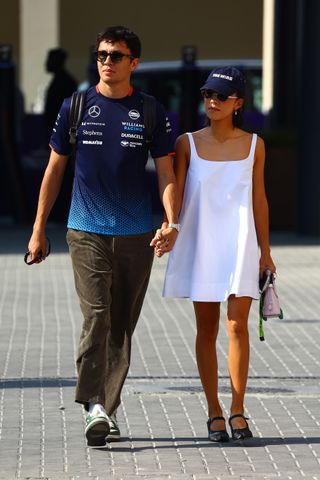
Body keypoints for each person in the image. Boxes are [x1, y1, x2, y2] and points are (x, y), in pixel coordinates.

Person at [28, 26, 178, 447]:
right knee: (97, 315)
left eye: (116, 55)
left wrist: (171, 222)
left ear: (134, 63)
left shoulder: (151, 111)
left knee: (121, 326)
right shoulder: (76, 105)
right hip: (86, 229)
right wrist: (38, 230)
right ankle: (93, 405)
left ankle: (105, 411)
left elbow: (166, 171)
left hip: (137, 233)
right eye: (101, 54)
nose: (107, 61)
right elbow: (55, 169)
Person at [153, 66, 276, 443]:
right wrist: (168, 227)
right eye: (208, 94)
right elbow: (174, 189)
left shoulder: (255, 144)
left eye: (221, 96)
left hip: (241, 242)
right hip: (202, 243)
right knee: (205, 329)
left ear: (238, 102)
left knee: (238, 325)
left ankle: (238, 408)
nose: (212, 101)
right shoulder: (187, 143)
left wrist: (266, 254)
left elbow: (259, 199)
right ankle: (214, 410)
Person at [44, 48, 77, 142]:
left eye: (50, 59)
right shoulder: (58, 80)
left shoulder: (65, 82)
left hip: (61, 133)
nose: (46, 63)